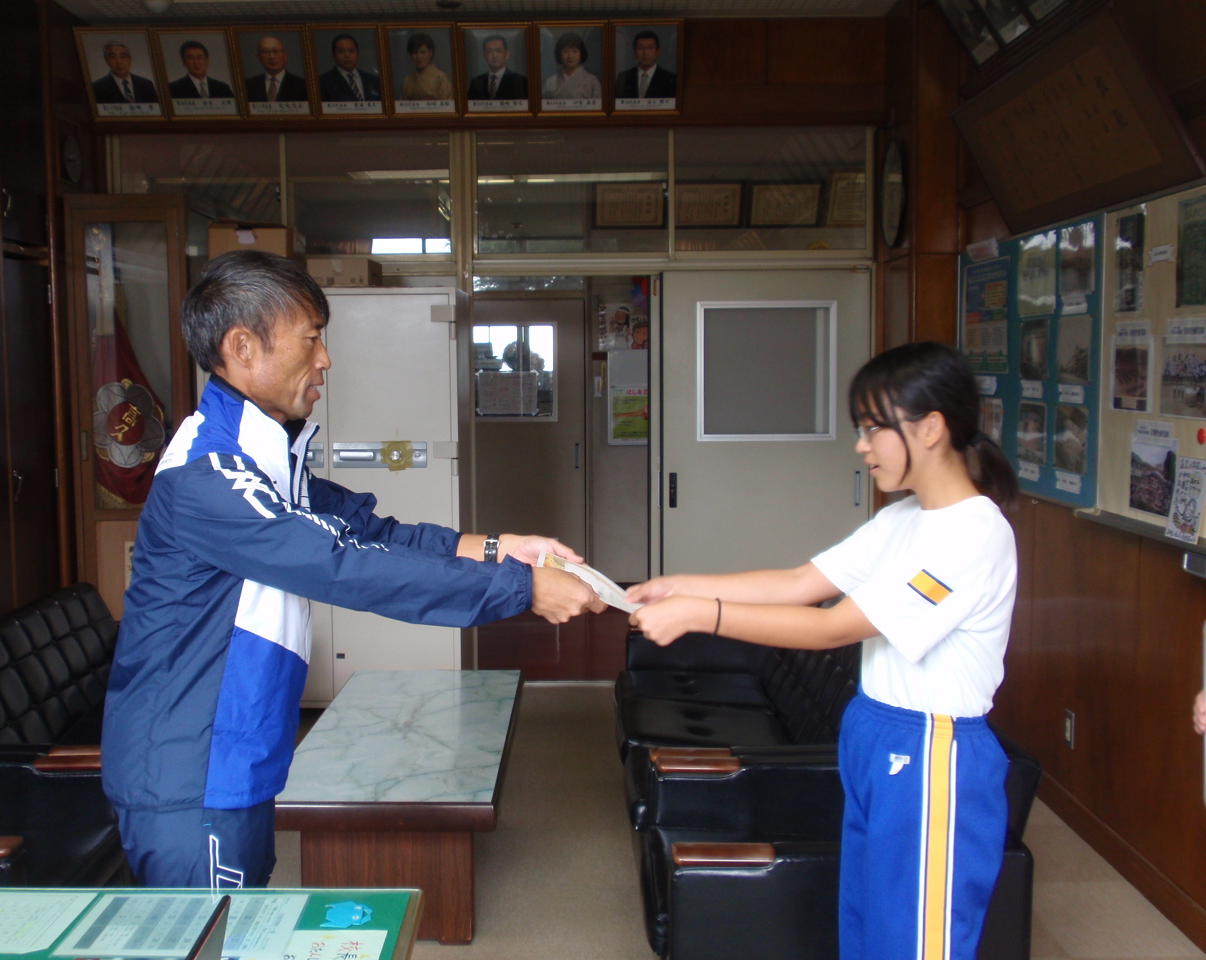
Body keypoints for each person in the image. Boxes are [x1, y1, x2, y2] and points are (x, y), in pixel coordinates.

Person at [101, 251, 604, 889]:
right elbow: (343, 566)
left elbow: (374, 535)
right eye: (311, 339)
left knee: (244, 923)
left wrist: (503, 548)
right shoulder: (209, 475)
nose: (325, 360)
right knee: (213, 933)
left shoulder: (264, 459)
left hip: (232, 754)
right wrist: (524, 588)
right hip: (189, 765)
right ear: (242, 346)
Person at [627, 341, 1020, 960]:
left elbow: (835, 627)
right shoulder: (904, 519)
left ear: (931, 428)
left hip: (931, 749)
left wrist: (701, 616)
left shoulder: (974, 535)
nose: (862, 446)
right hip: (872, 730)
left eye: (873, 428)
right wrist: (680, 586)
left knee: (916, 939)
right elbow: (799, 582)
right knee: (865, 924)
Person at [614, 30, 677, 100]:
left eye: (650, 48)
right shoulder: (623, 78)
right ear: (635, 52)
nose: (645, 52)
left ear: (658, 52)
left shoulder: (670, 79)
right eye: (640, 48)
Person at [318, 33, 381, 103]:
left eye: (351, 51)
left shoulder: (374, 81)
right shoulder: (323, 82)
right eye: (341, 51)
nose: (347, 55)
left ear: (358, 54)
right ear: (333, 55)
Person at [244, 36, 308, 103]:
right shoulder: (248, 86)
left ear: (285, 55)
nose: (271, 56)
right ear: (259, 57)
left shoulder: (303, 86)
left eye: (276, 51)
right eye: (266, 52)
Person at [93, 41, 160, 104]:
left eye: (122, 57)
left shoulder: (146, 85)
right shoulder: (97, 87)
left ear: (129, 59)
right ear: (106, 60)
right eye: (113, 57)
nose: (119, 62)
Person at [466, 34, 528, 102]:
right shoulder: (476, 82)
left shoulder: (520, 81)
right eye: (489, 51)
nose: (495, 55)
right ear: (484, 55)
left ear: (507, 54)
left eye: (499, 51)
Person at [542, 31, 601, 101]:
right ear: (559, 53)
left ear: (581, 53)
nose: (570, 56)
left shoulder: (592, 81)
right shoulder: (551, 81)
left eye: (574, 51)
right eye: (565, 51)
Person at [168, 40, 235, 100]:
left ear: (207, 60)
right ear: (184, 62)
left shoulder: (223, 88)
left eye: (200, 57)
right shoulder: (173, 89)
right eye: (190, 58)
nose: (196, 62)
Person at [402, 33, 453, 102]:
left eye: (422, 52)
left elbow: (447, 105)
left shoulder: (441, 78)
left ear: (430, 53)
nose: (419, 57)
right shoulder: (408, 79)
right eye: (414, 53)